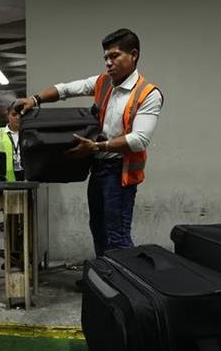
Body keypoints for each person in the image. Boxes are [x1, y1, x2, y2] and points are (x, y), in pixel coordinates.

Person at [15, 28, 163, 258]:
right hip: (99, 168)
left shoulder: (148, 93)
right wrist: (35, 99)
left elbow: (139, 140)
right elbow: (66, 89)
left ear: (133, 55)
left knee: (118, 235)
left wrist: (96, 147)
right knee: (99, 229)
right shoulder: (104, 82)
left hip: (119, 173)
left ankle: (127, 288)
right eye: (106, 57)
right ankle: (104, 279)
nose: (108, 62)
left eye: (114, 56)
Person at [0, 101, 24, 181]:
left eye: (21, 114)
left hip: (26, 179)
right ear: (7, 115)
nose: (18, 117)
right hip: (5, 181)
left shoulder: (29, 133)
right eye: (14, 114)